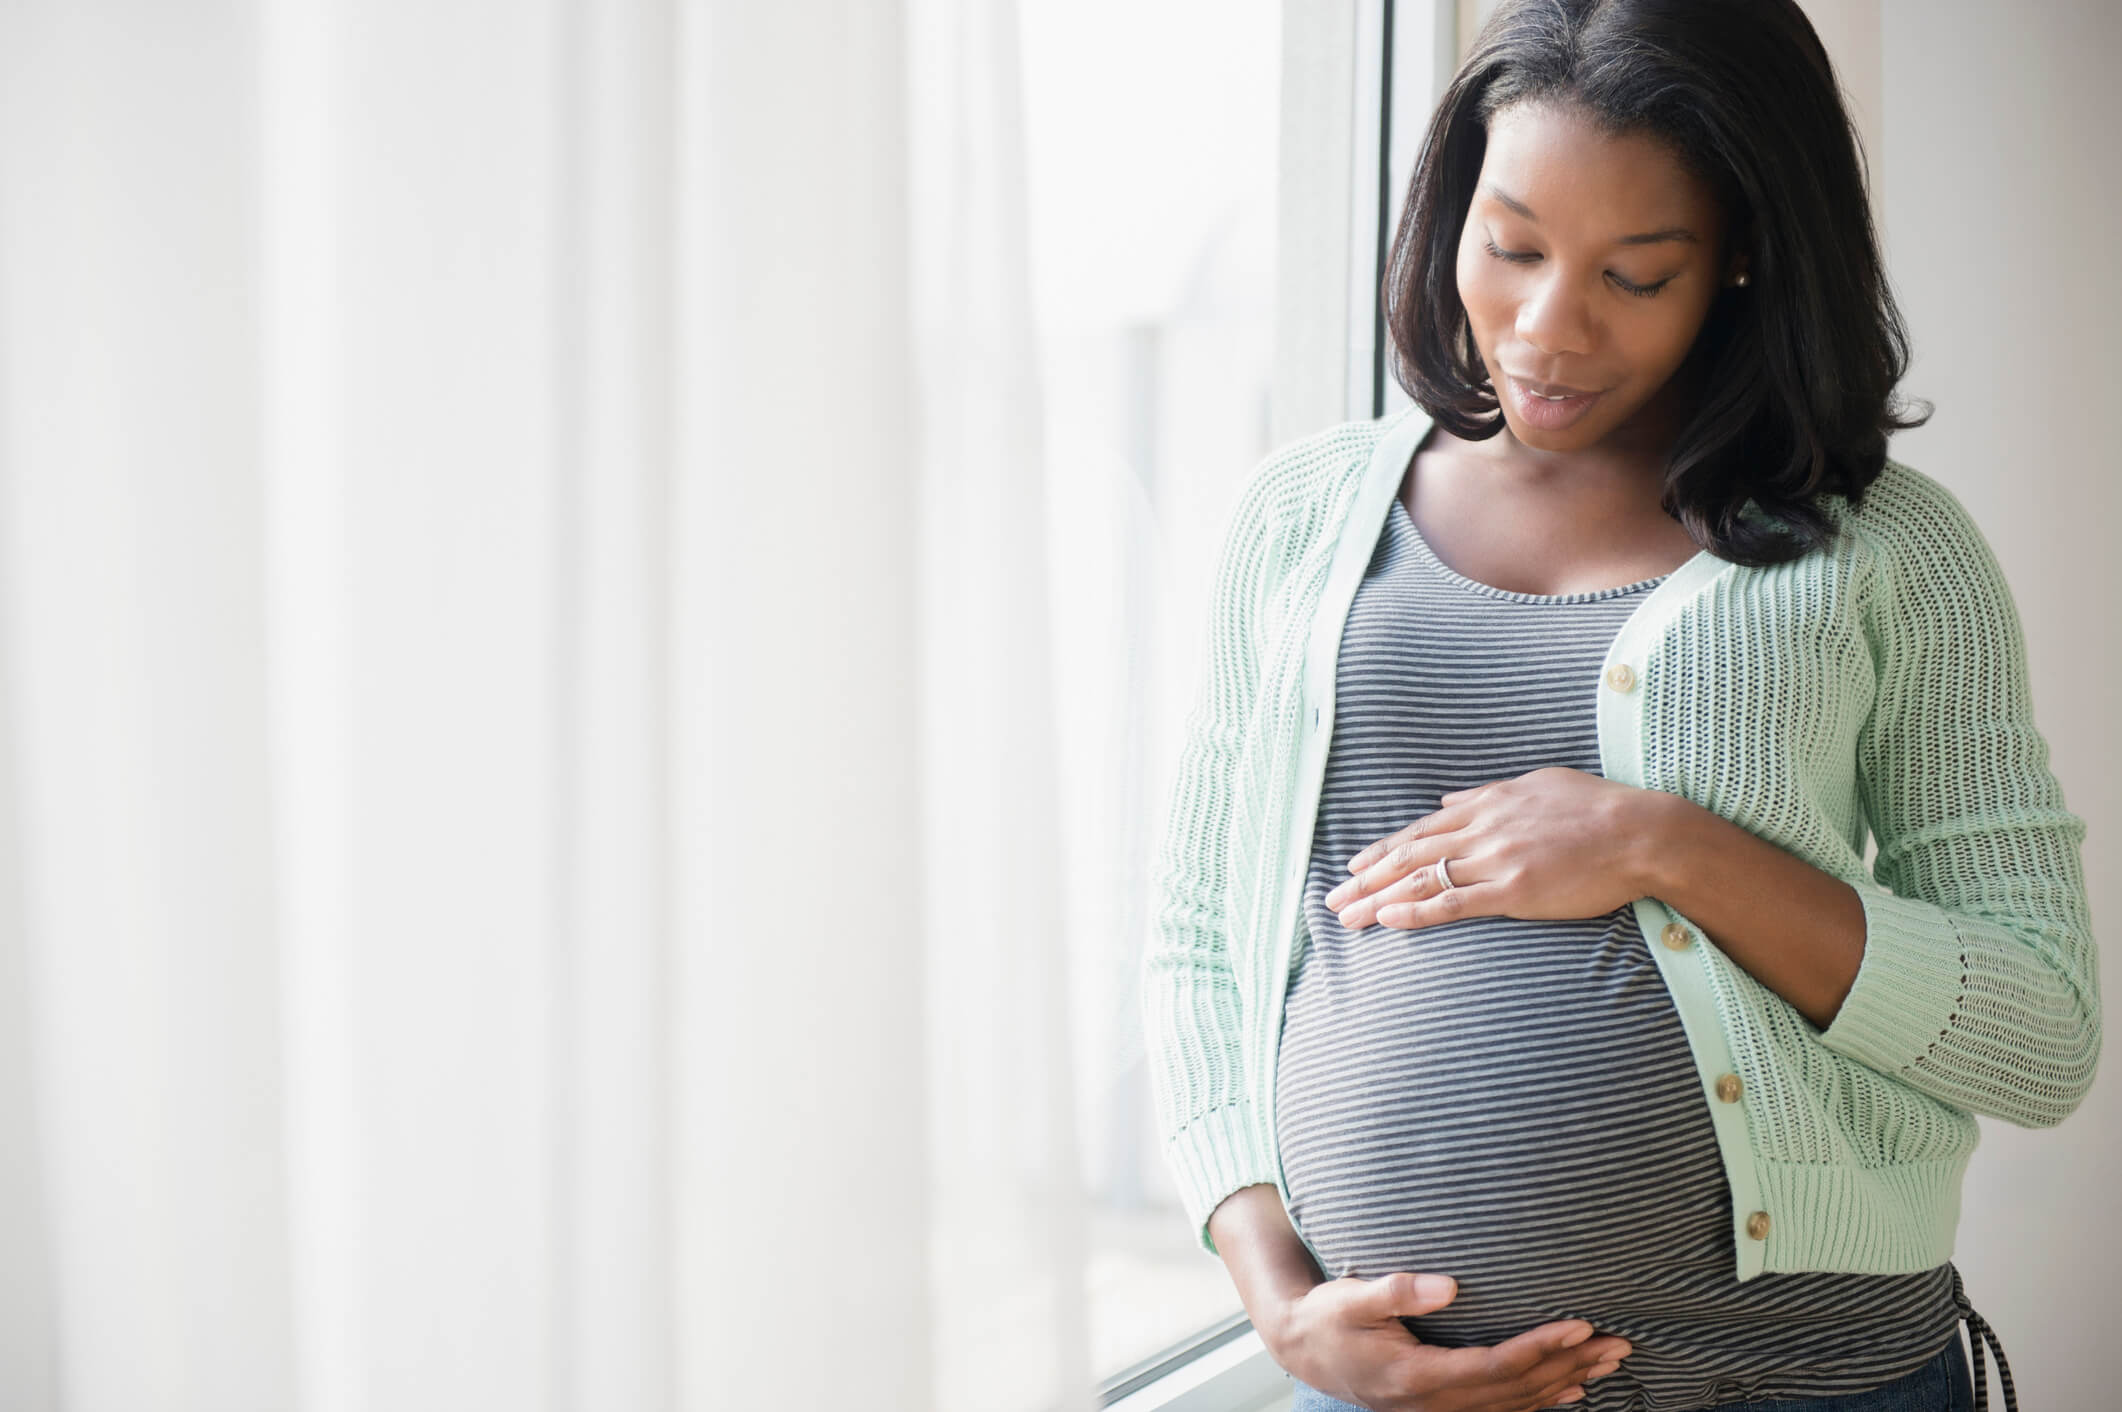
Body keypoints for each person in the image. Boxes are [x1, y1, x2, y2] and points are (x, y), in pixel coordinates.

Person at [1136, 2, 2098, 1411]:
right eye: (1509, 246)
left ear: (1741, 264)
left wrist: (1666, 845)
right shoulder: (1298, 518)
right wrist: (1280, 1306)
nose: (1543, 328)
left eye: (1634, 276)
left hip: (1802, 1382)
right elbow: (1197, 956)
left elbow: (2040, 1026)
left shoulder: (1885, 550)